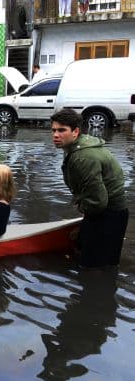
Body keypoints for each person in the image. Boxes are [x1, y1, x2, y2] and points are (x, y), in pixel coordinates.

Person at [51, 109, 128, 268]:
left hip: (109, 214)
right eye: (54, 130)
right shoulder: (76, 148)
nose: (56, 135)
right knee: (90, 257)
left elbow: (98, 201)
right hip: (106, 211)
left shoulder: (83, 157)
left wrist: (82, 208)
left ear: (76, 131)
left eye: (62, 130)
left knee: (94, 268)